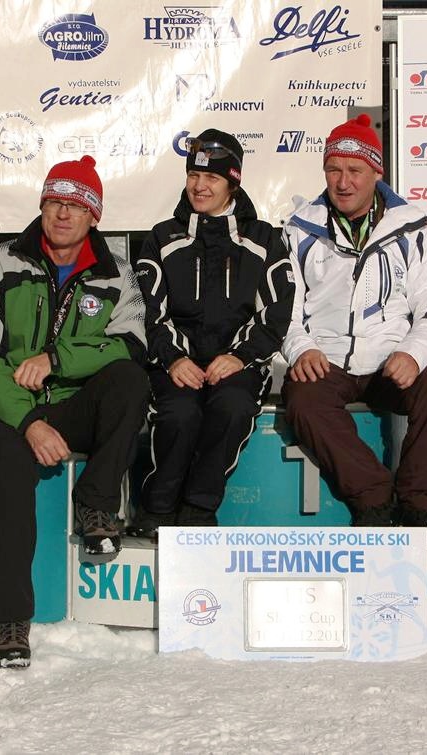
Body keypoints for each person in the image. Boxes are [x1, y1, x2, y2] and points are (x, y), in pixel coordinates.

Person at [0, 155, 149, 669]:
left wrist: (56, 359)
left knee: (130, 381)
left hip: (72, 403)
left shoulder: (117, 272)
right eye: (55, 203)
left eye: (76, 206)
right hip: (11, 407)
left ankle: (96, 504)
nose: (64, 214)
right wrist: (28, 422)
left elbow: (130, 346)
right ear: (42, 206)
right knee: (8, 474)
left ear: (94, 216)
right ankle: (12, 620)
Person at [280, 114, 427, 540]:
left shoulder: (410, 227)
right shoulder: (299, 229)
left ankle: (420, 508)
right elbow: (282, 308)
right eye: (333, 170)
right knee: (302, 399)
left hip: (390, 357)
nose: (343, 182)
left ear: (377, 173)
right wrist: (301, 348)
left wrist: (413, 352)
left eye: (355, 171)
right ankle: (376, 502)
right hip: (327, 357)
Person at [128, 129, 293, 538]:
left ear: (233, 182)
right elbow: (147, 310)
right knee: (179, 414)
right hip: (175, 361)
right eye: (193, 175)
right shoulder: (162, 236)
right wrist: (173, 358)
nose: (200, 186)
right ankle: (158, 506)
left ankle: (198, 509)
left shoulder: (263, 238)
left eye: (212, 178)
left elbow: (276, 311)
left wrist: (240, 356)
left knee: (232, 408)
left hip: (237, 362)